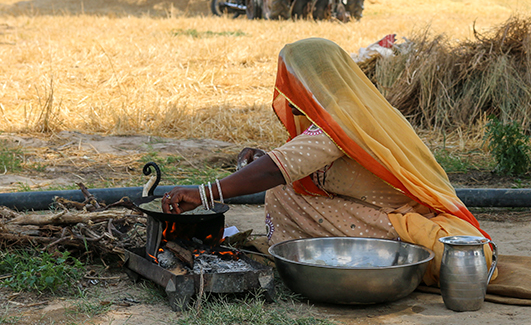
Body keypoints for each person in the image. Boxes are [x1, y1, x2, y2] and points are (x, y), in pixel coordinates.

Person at [163, 37, 494, 285]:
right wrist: (265, 160)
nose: (285, 89)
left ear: (313, 80)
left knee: (281, 191)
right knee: (284, 190)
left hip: (416, 226)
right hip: (387, 211)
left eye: (292, 80)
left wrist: (204, 194)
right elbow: (297, 163)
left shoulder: (342, 120)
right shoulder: (346, 109)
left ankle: (373, 256)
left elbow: (278, 169)